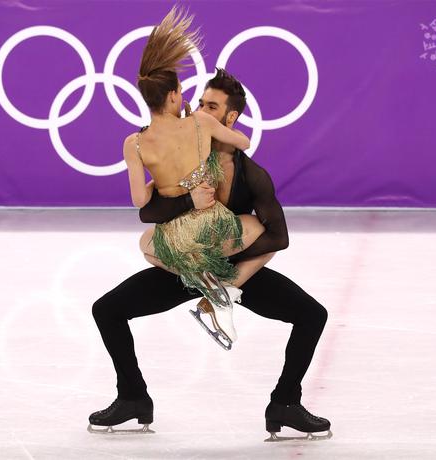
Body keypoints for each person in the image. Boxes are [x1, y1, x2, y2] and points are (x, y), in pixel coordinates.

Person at [88, 68, 332, 440]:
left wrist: (230, 280)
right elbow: (148, 211)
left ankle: (285, 403)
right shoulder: (182, 154)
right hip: (185, 270)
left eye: (210, 106)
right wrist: (188, 202)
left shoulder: (254, 177)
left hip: (228, 271)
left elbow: (278, 236)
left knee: (312, 315)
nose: (198, 109)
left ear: (229, 118)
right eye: (199, 101)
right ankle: (133, 396)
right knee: (107, 309)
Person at [122, 6, 265, 348]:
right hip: (209, 224)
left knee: (146, 245)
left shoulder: (135, 143)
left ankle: (202, 281)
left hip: (175, 235)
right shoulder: (200, 122)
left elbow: (140, 202)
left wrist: (163, 182)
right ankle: (220, 291)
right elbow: (243, 141)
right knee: (261, 228)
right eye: (181, 93)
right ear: (173, 96)